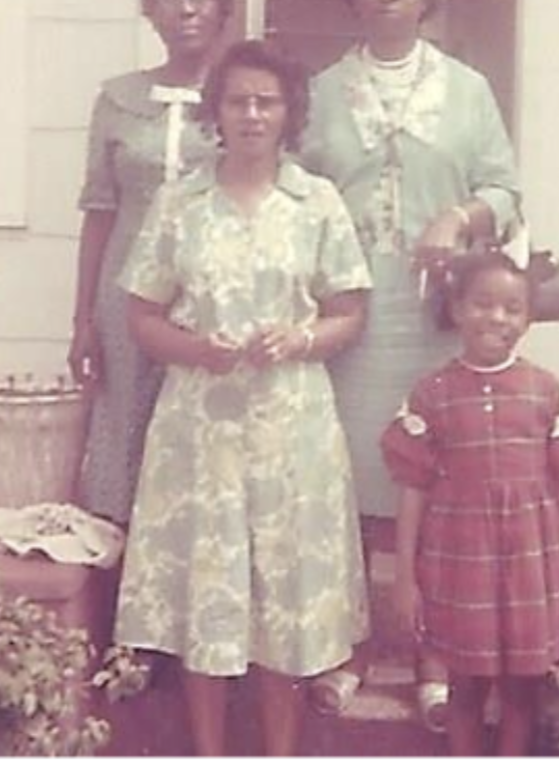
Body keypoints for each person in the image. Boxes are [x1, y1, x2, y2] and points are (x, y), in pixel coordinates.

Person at [114, 40, 372, 756]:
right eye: (238, 101)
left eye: (267, 101)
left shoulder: (315, 201)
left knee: (281, 606)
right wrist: (196, 349)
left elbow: (350, 310)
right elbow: (142, 316)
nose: (252, 114)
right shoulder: (181, 201)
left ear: (289, 113)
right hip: (200, 430)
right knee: (208, 598)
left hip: (290, 426)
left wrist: (301, 339)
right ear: (216, 113)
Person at [300, 0, 522, 721]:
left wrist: (460, 215)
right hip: (349, 316)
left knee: (434, 484)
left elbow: (506, 190)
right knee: (351, 484)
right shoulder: (321, 92)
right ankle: (350, 647)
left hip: (434, 317)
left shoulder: (466, 89)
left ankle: (434, 654)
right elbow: (294, 197)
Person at [380, 250, 559, 756]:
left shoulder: (545, 391)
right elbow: (412, 491)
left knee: (523, 688)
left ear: (528, 318)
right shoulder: (433, 393)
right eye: (482, 304)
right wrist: (405, 578)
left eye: (512, 308)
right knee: (466, 687)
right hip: (461, 566)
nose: (496, 317)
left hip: (530, 566)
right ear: (456, 309)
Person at [68, 0, 232, 524]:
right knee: (125, 427)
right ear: (151, 10)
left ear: (221, 9)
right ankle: (118, 585)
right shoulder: (117, 100)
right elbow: (99, 211)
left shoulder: (243, 97)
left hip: (213, 291)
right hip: (126, 293)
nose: (185, 9)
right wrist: (83, 318)